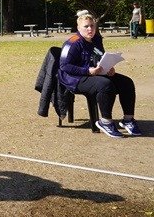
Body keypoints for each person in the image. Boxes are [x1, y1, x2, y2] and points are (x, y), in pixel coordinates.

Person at [58, 10, 142, 138]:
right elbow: (64, 66)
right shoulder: (72, 43)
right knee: (105, 84)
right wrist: (87, 71)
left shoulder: (97, 39)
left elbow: (99, 57)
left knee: (126, 82)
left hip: (94, 73)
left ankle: (128, 120)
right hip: (75, 78)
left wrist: (108, 68)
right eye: (86, 26)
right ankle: (106, 122)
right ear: (78, 27)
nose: (90, 29)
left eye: (92, 26)